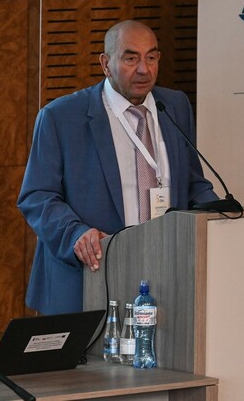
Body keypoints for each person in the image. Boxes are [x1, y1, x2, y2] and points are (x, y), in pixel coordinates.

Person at [17, 20, 219, 314]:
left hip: (165, 276)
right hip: (90, 278)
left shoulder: (174, 106)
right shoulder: (61, 117)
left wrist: (219, 217)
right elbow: (37, 197)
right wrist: (75, 234)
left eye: (151, 57)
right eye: (131, 58)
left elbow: (192, 183)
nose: (144, 69)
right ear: (106, 64)